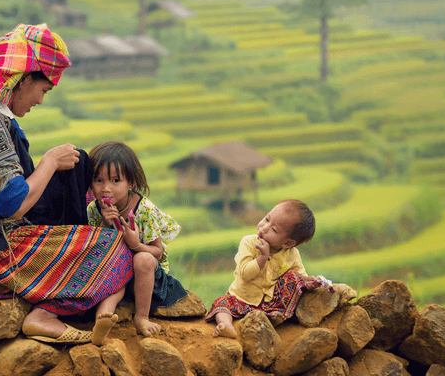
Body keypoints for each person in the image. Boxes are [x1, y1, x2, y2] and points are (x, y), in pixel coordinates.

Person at [0, 24, 132, 345]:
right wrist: (49, 162)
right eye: (42, 90)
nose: (41, 101)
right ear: (24, 79)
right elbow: (12, 205)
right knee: (117, 249)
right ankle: (46, 315)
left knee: (77, 164)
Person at [86, 141, 189, 337]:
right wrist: (105, 226)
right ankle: (102, 320)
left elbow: (157, 253)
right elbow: (94, 248)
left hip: (146, 274)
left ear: (131, 183)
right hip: (116, 272)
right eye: (98, 180)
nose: (105, 188)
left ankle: (141, 317)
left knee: (142, 258)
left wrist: (136, 245)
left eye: (115, 181)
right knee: (111, 264)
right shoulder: (93, 209)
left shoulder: (144, 210)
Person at [205, 199, 318, 338]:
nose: (264, 227)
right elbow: (245, 273)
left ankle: (275, 316)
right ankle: (226, 326)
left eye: (274, 229)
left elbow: (299, 275)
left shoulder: (292, 254)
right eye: (266, 219)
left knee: (294, 277)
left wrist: (306, 280)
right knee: (221, 305)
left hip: (269, 304)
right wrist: (262, 258)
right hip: (240, 300)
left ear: (288, 243)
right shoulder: (249, 243)